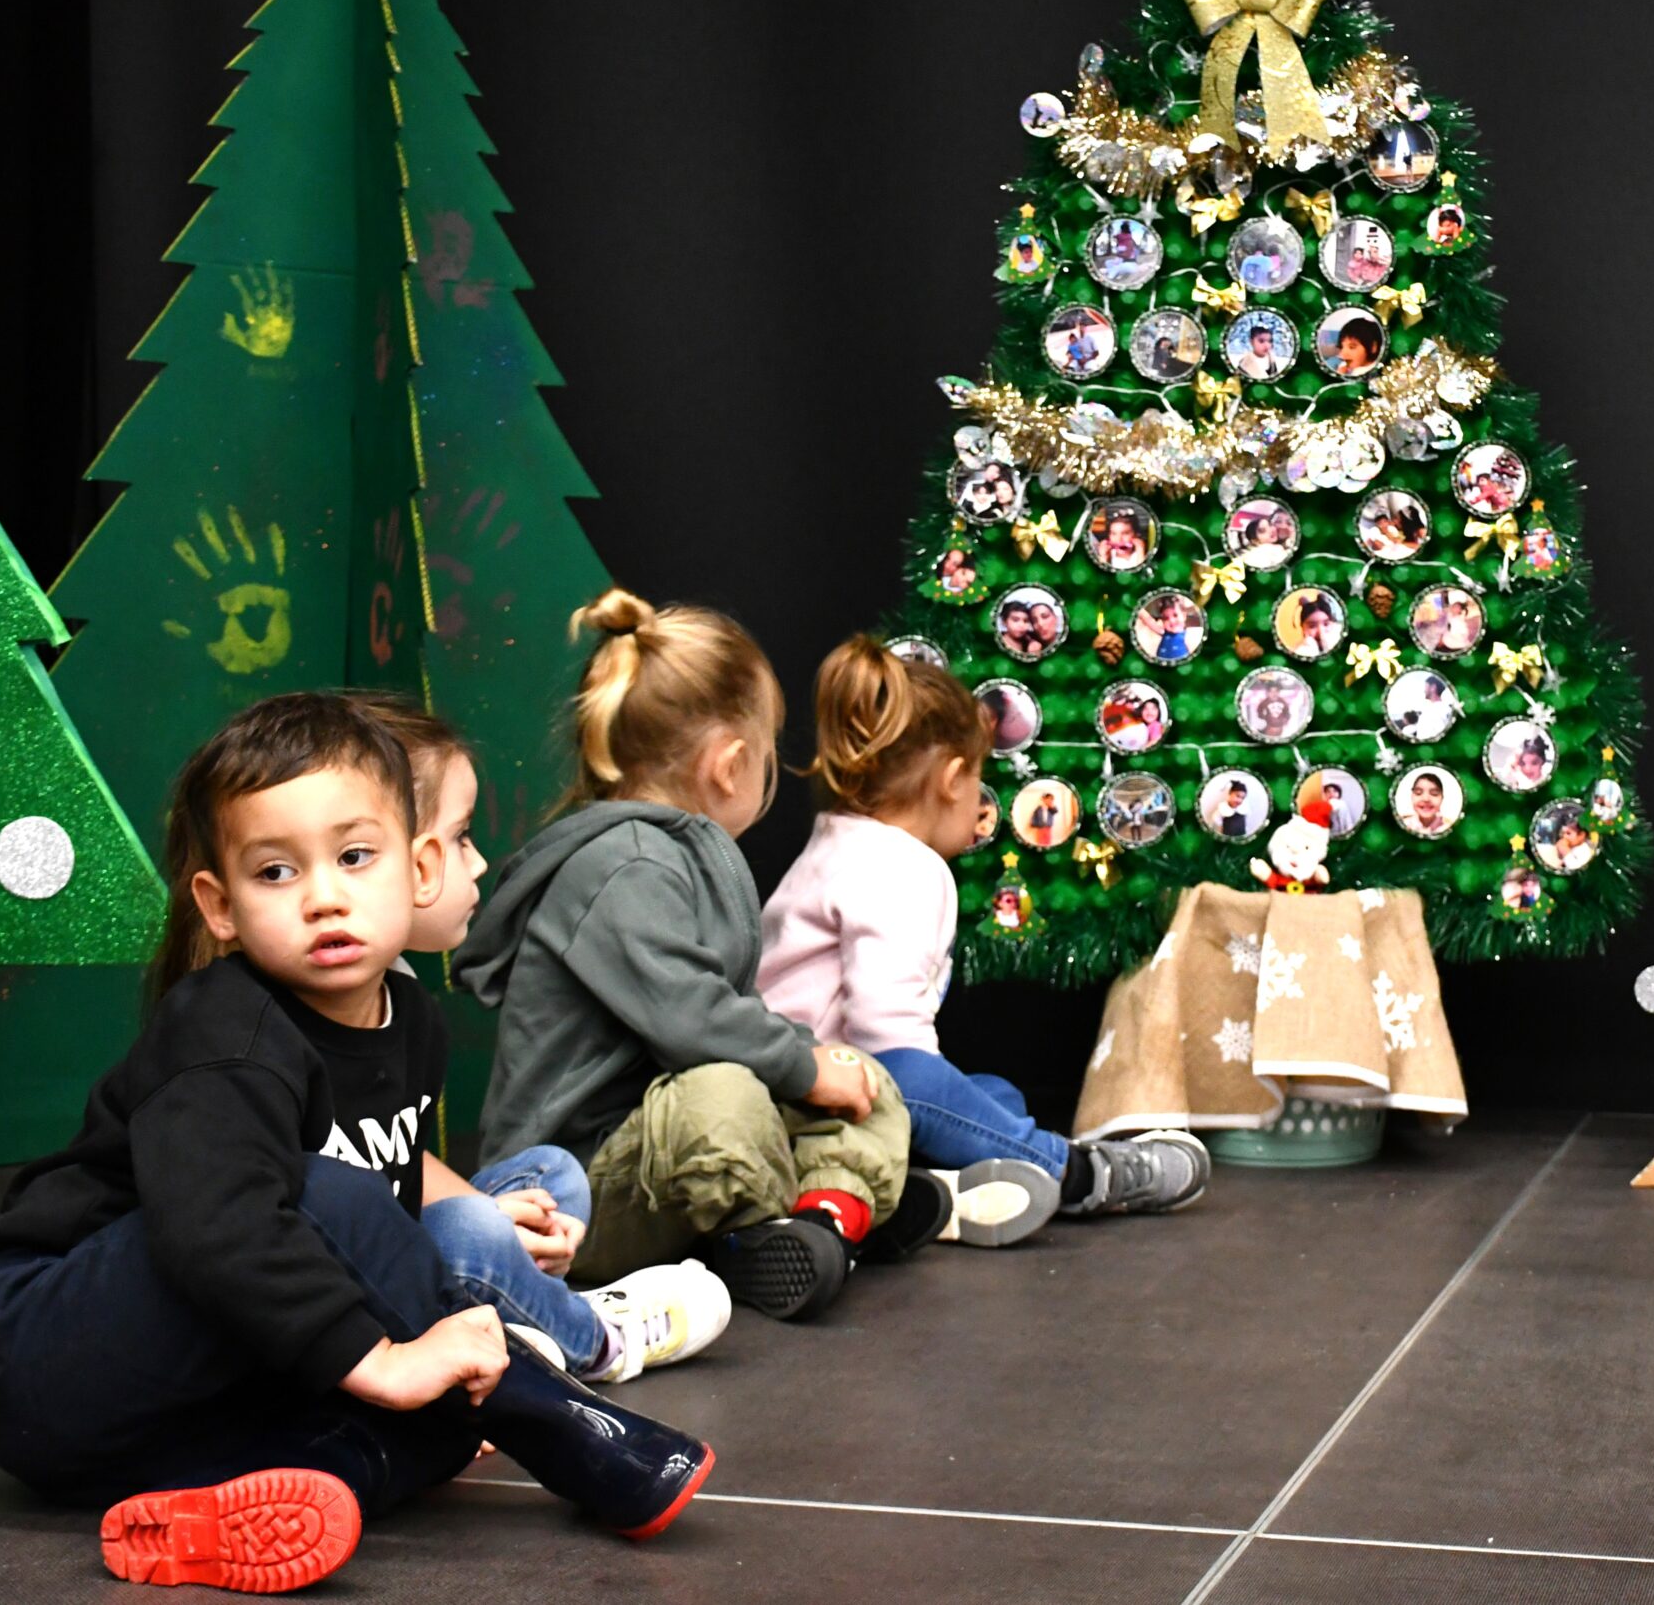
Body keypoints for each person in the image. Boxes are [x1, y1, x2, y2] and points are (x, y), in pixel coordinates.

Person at [0, 694, 715, 1591]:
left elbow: (396, 1177)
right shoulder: (226, 1033)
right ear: (219, 906)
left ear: (416, 868)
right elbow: (219, 1227)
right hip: (48, 1353)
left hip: (170, 1404)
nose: (324, 896)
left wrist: (433, 1351)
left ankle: (233, 1503)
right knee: (330, 1198)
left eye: (353, 857)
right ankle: (551, 1409)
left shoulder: (409, 1019)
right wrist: (386, 1356)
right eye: (275, 873)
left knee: (435, 1426)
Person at [455, 589, 931, 1325]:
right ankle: (778, 1232)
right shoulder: (623, 865)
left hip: (657, 1142)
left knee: (861, 1075)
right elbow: (693, 1018)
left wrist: (820, 1067)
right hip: (576, 1192)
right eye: (770, 752)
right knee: (728, 1097)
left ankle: (829, 1216)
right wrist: (802, 1068)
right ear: (731, 763)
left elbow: (723, 1017)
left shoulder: (673, 853)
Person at [761, 638, 1212, 1244]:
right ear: (953, 780)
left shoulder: (838, 842)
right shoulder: (902, 867)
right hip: (825, 1098)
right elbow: (885, 1037)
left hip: (789, 1091)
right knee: (927, 1086)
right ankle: (1078, 1174)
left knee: (992, 1095)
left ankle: (931, 1192)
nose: (981, 805)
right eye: (979, 783)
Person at [348, 695, 727, 1387]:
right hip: (342, 1280)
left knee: (551, 1175)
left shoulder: (399, 994)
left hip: (397, 1236)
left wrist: (491, 1211)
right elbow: (333, 1204)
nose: (480, 861)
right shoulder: (287, 1026)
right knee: (469, 1235)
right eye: (461, 836)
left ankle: (519, 1316)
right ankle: (597, 1335)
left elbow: (392, 1159)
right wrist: (479, 1225)